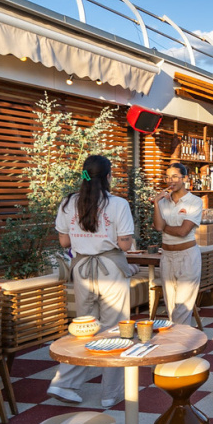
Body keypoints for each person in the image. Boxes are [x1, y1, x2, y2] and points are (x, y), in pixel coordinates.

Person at [48, 155, 135, 408]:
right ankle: (110, 393)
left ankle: (64, 383)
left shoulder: (68, 203)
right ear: (108, 176)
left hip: (82, 269)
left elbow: (65, 242)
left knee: (83, 328)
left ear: (84, 175)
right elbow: (124, 244)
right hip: (111, 269)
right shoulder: (118, 204)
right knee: (115, 329)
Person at [153, 163, 203, 325]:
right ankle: (177, 339)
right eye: (167, 177)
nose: (170, 180)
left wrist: (163, 227)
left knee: (182, 308)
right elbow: (158, 227)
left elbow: (183, 231)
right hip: (167, 256)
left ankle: (181, 339)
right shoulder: (162, 202)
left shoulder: (194, 201)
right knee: (170, 306)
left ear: (185, 178)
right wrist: (156, 203)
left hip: (187, 256)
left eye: (175, 176)